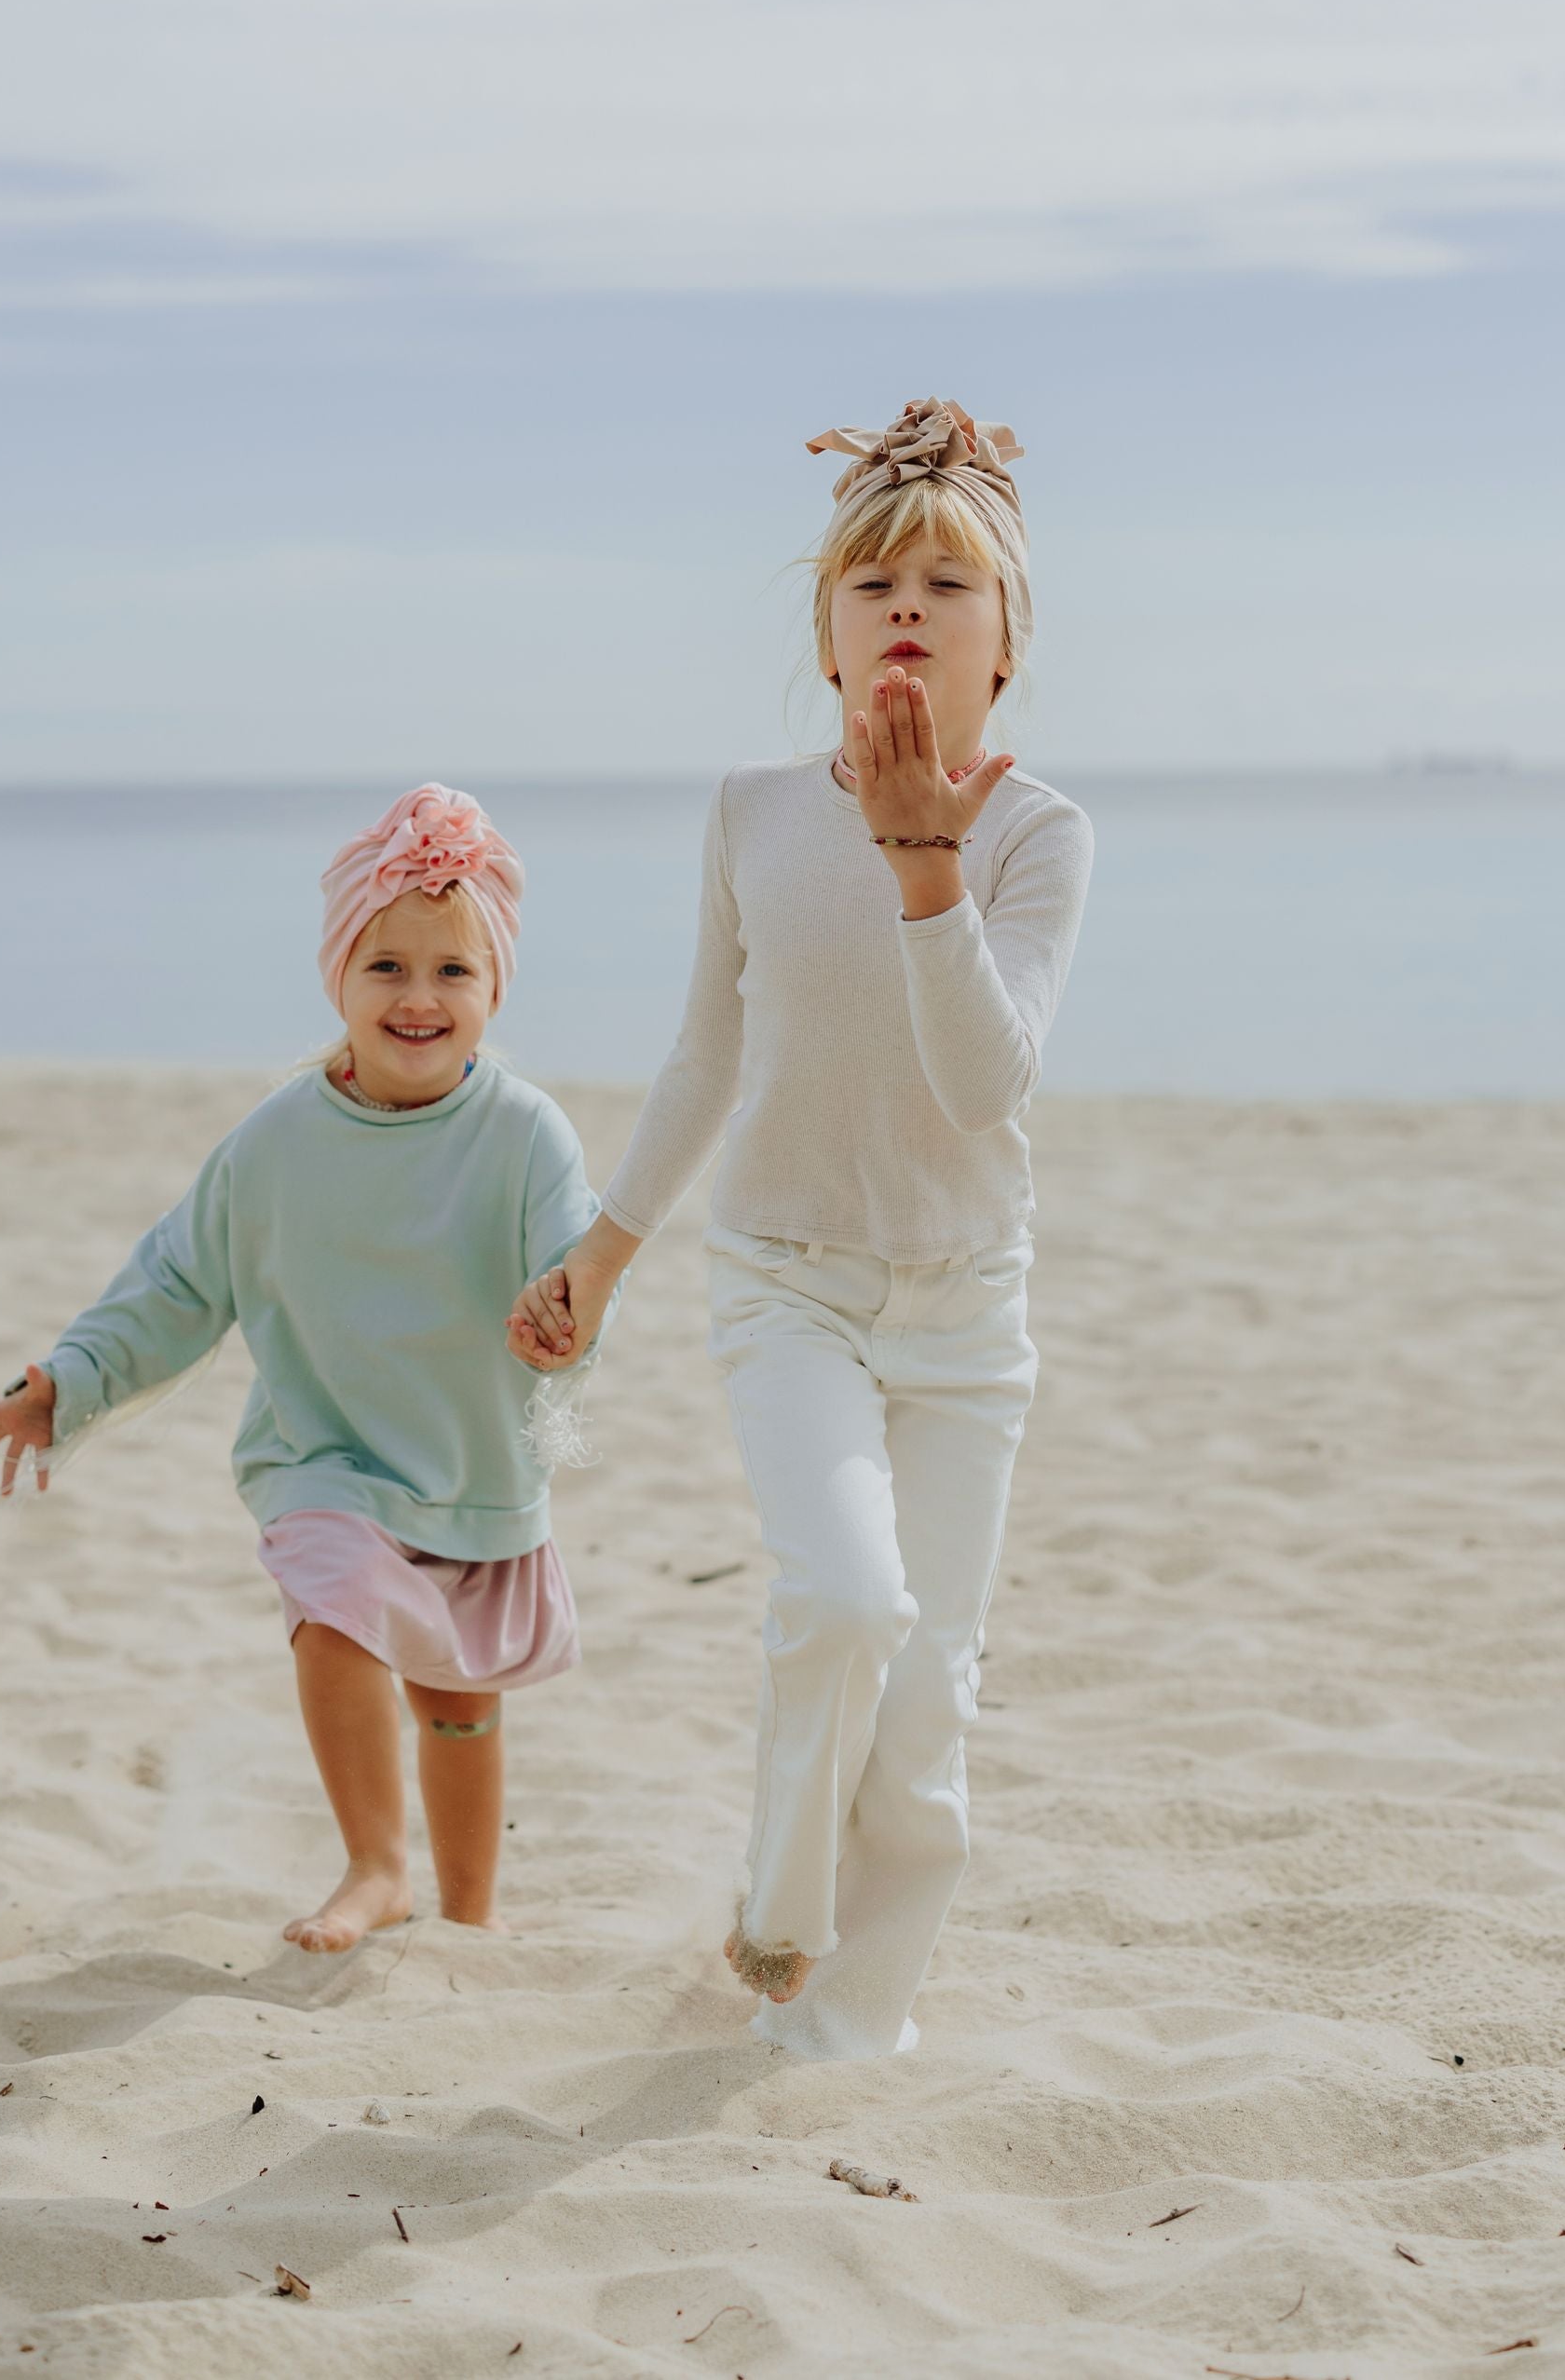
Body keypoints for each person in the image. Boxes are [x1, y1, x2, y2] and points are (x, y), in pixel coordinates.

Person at [508, 399, 1094, 2058]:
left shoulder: (1039, 832)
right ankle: (780, 1899)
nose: (907, 599)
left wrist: (928, 868)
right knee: (844, 1597)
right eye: (871, 578)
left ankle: (844, 2039)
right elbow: (710, 1047)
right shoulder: (751, 811)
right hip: (785, 1281)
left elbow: (989, 1081)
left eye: (949, 580)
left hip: (968, 1309)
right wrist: (607, 1249)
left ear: (1006, 643)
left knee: (930, 1706)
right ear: (828, 635)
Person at [0, 784, 597, 1954]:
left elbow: (571, 1265)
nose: (417, 996)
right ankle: (373, 1864)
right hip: (326, 1457)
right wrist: (66, 1378)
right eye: (385, 965)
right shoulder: (277, 1139)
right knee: (332, 1604)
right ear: (337, 979)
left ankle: (473, 1910)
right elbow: (178, 1280)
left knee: (457, 1701)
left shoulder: (527, 1132)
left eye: (453, 971)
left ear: (494, 987)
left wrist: (562, 1314)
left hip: (472, 1459)